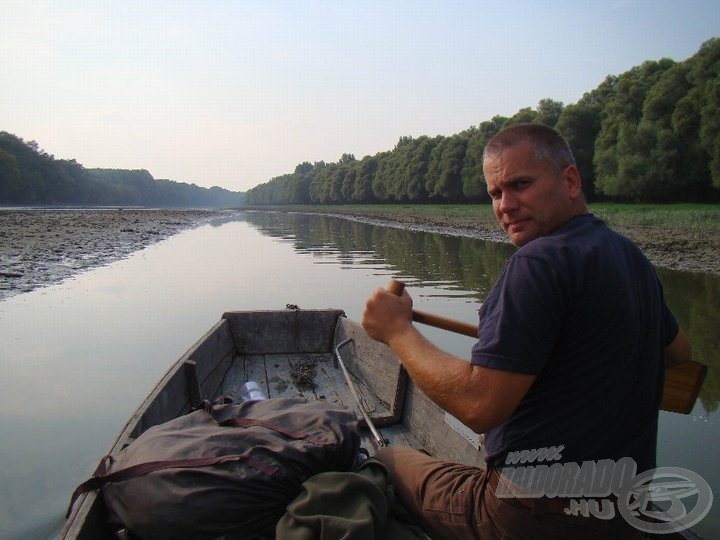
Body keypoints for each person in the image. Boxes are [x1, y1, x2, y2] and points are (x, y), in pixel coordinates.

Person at [362, 123, 691, 540]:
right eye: (496, 194)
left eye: (520, 185)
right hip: (625, 509)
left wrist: (397, 332)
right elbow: (679, 351)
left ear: (570, 180)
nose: (505, 205)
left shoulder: (537, 265)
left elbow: (480, 407)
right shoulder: (628, 255)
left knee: (391, 459)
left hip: (532, 520)